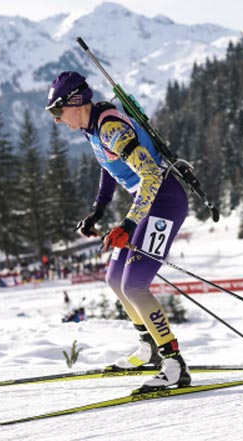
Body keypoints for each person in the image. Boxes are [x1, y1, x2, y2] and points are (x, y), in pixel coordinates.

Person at [45, 71, 190, 390]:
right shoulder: (92, 127)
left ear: (75, 103)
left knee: (135, 283)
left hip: (164, 201)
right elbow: (108, 168)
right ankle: (149, 348)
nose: (56, 120)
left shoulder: (110, 129)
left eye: (57, 111)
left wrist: (127, 223)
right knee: (114, 279)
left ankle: (174, 363)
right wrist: (97, 211)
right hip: (149, 202)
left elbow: (150, 174)